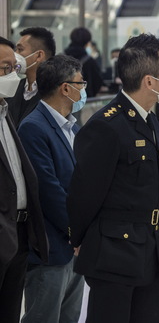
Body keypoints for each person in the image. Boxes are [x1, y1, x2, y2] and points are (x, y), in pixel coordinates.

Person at [67, 34, 159, 323]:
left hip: (149, 247)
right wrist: (78, 238)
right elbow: (85, 192)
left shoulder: (149, 118)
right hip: (114, 251)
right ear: (150, 81)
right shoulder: (106, 126)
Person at [19, 55, 85, 323]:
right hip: (51, 247)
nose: (84, 88)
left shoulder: (73, 128)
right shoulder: (33, 128)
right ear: (65, 88)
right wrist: (76, 230)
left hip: (76, 248)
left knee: (69, 317)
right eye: (81, 82)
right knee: (43, 317)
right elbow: (48, 190)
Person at [0, 36, 48, 323]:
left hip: (18, 235)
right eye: (5, 68)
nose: (12, 76)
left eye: (13, 68)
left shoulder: (6, 113)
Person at [7, 27, 56, 127]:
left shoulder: (54, 93)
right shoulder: (13, 88)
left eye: (20, 50)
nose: (15, 55)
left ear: (38, 56)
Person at [64, 27, 104, 98]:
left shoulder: (61, 59)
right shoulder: (89, 61)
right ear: (87, 42)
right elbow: (97, 81)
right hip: (84, 100)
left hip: (63, 100)